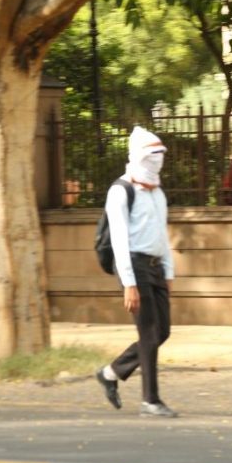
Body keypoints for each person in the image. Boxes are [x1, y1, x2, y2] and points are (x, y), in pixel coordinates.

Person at [95, 126, 178, 418]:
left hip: (156, 267)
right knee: (149, 333)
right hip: (134, 266)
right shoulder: (121, 190)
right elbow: (119, 239)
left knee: (162, 331)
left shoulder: (158, 192)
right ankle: (150, 401)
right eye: (152, 154)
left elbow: (162, 235)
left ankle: (110, 373)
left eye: (160, 154)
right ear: (139, 155)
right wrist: (129, 284)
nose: (158, 159)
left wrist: (169, 272)